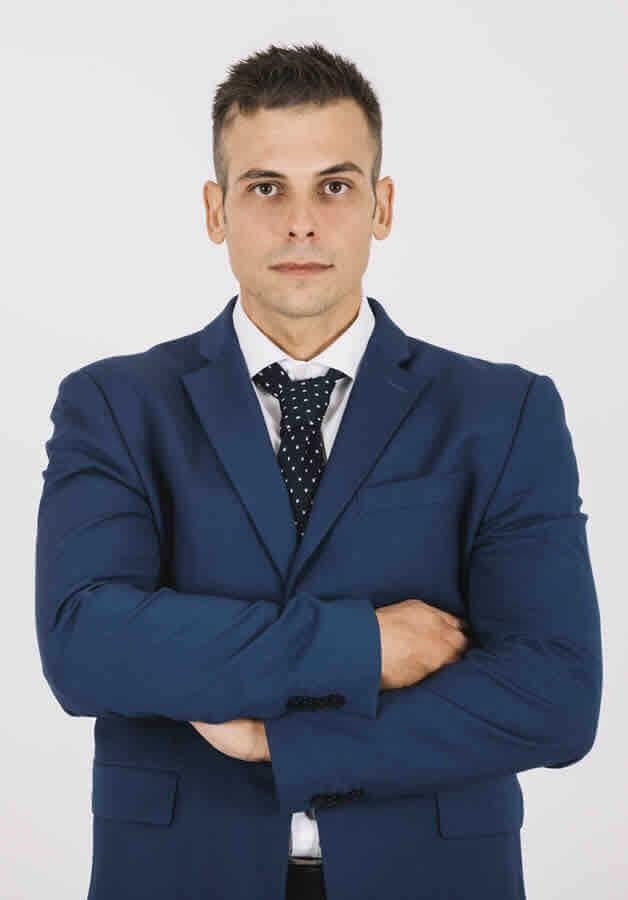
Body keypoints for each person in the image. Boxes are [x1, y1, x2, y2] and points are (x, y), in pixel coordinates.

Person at [35, 41, 603, 900]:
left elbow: (553, 695)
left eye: (334, 187)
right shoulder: (115, 404)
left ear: (381, 205)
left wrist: (283, 742)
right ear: (216, 210)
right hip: (179, 875)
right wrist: (363, 646)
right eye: (266, 188)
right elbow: (86, 644)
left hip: (433, 877)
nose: (300, 223)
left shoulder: (502, 411)